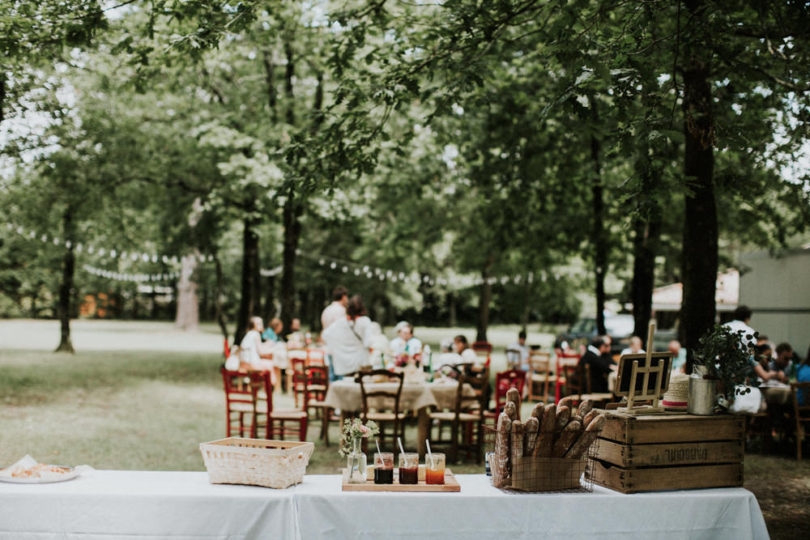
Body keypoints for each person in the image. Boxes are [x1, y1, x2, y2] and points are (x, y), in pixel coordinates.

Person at [322, 295, 374, 380]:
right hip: (361, 363)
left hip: (344, 365)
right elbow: (368, 342)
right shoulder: (365, 321)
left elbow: (326, 335)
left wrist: (340, 348)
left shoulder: (341, 322)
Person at [239, 316, 277, 385]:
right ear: (253, 325)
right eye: (259, 323)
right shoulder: (256, 334)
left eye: (261, 323)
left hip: (243, 363)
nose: (261, 325)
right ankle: (272, 386)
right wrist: (271, 348)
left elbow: (258, 348)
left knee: (267, 364)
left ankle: (267, 386)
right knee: (270, 364)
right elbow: (261, 352)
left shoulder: (249, 333)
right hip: (251, 364)